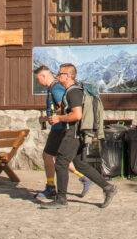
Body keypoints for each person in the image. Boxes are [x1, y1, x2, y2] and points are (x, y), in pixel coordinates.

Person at [44, 63, 117, 210]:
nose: (58, 76)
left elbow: (77, 115)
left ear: (69, 76)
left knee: (60, 162)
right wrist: (58, 115)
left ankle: (61, 199)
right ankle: (108, 188)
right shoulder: (71, 91)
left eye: (61, 74)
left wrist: (59, 119)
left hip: (74, 134)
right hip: (77, 133)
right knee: (80, 164)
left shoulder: (73, 92)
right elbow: (73, 112)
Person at [33, 65, 90, 202]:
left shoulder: (56, 88)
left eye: (38, 78)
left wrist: (47, 118)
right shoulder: (53, 87)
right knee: (57, 158)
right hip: (58, 128)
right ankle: (82, 178)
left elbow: (64, 108)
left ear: (44, 76)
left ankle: (52, 188)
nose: (37, 82)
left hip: (59, 128)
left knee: (51, 157)